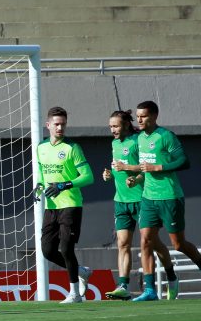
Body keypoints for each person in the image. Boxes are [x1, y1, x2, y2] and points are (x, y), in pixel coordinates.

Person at [101, 110, 174, 301]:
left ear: (126, 124)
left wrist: (131, 172)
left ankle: (170, 277)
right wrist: (109, 174)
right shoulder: (114, 143)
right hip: (121, 202)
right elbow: (118, 168)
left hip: (143, 200)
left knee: (151, 243)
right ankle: (123, 285)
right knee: (123, 243)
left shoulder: (138, 141)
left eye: (116, 126)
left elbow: (145, 167)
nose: (113, 130)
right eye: (110, 127)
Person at [133, 100, 201, 301]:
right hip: (148, 198)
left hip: (170, 197)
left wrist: (158, 168)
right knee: (145, 240)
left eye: (143, 116)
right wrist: (136, 178)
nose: (139, 119)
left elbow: (184, 161)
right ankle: (150, 290)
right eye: (138, 116)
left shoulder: (166, 136)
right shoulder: (139, 139)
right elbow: (144, 167)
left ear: (154, 116)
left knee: (178, 244)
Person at [35, 106, 94, 303]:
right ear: (48, 125)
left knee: (67, 248)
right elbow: (42, 174)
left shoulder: (72, 148)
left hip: (71, 204)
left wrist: (64, 184)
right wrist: (39, 187)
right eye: (57, 124)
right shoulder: (41, 148)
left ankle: (75, 294)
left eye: (63, 124)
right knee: (47, 251)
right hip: (51, 207)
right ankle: (82, 271)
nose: (60, 128)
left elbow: (88, 177)